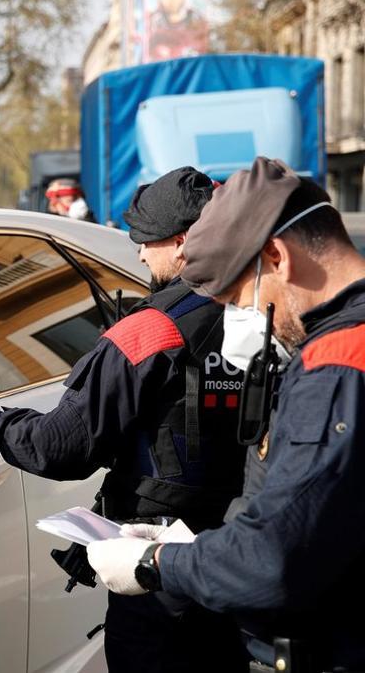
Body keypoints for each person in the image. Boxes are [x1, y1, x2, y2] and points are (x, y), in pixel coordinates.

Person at [0, 167, 248, 672]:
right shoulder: (259, 315)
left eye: (146, 239)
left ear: (184, 240)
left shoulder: (151, 331)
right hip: (232, 554)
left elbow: (60, 447)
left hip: (157, 570)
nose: (140, 254)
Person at [88, 157, 365, 671]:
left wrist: (154, 564)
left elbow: (274, 558)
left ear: (276, 257)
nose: (243, 319)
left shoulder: (337, 364)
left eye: (239, 298)